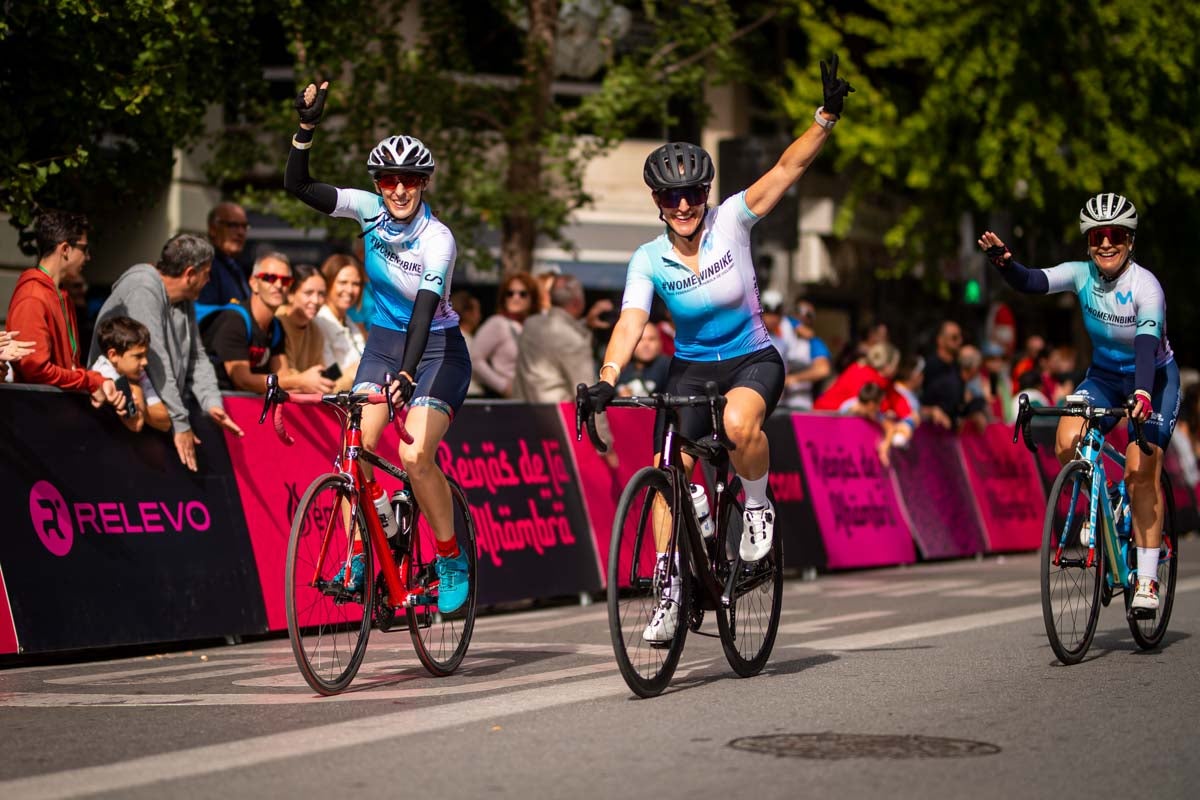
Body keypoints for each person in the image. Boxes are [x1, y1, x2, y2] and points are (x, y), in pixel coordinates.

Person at [583, 55, 853, 641]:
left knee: (736, 424)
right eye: (672, 196)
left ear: (705, 193)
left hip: (752, 357)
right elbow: (630, 324)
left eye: (693, 193)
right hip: (690, 368)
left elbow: (785, 169)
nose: (684, 205)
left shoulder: (731, 220)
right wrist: (608, 375)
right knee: (664, 472)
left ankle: (755, 504)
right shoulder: (647, 259)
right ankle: (669, 586)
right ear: (658, 201)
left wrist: (825, 118)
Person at [285, 80, 473, 614]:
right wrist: (306, 129)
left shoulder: (439, 238)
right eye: (389, 179)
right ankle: (368, 548)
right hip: (384, 345)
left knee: (414, 455)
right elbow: (297, 186)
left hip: (436, 350)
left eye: (409, 180)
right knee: (355, 452)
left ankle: (449, 555)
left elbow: (423, 309)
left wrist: (408, 376)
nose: (397, 190)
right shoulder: (367, 209)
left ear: (424, 183)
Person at [979, 192, 1178, 614]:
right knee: (1068, 438)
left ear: (1130, 241)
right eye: (1097, 236)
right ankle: (1098, 496)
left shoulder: (1146, 287)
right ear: (1088, 243)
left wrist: (1142, 393)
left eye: (1115, 235)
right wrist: (1004, 263)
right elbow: (1033, 281)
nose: (1106, 243)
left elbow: (1145, 348)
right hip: (1104, 377)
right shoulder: (1080, 273)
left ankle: (1146, 577)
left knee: (1142, 470)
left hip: (1154, 378)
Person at [90, 233, 244, 472]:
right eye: (206, 273)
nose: (209, 280)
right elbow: (155, 357)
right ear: (190, 274)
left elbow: (197, 356)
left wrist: (211, 402)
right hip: (114, 422)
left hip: (158, 424)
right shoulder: (143, 287)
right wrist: (181, 423)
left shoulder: (184, 300)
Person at [7, 210, 125, 413]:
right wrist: (89, 381)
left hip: (56, 415)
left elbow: (68, 367)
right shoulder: (33, 297)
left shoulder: (60, 294)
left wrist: (95, 383)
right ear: (65, 249)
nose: (87, 257)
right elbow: (37, 371)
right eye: (84, 249)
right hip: (35, 420)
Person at [201, 252, 331, 395]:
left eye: (285, 280)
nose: (279, 285)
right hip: (213, 405)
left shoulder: (275, 327)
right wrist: (300, 381)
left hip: (247, 405)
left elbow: (283, 377)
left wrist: (312, 385)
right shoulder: (234, 320)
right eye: (270, 278)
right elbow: (242, 380)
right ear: (254, 283)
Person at [513, 273, 599, 402]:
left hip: (524, 414)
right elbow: (587, 395)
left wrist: (586, 323)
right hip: (558, 416)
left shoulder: (530, 325)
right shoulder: (574, 341)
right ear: (578, 302)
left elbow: (553, 338)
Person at [90, 316, 171, 434]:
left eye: (145, 355)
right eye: (138, 356)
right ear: (113, 355)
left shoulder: (136, 373)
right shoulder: (103, 372)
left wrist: (138, 401)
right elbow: (136, 424)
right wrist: (137, 388)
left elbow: (165, 422)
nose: (145, 362)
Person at [473, 271, 540, 398]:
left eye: (522, 294)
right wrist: (502, 386)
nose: (516, 297)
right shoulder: (497, 323)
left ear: (532, 298)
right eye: (510, 293)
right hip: (505, 400)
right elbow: (475, 359)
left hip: (532, 397)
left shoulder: (534, 326)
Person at [314, 253, 369, 391]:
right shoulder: (320, 321)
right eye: (343, 283)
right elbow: (326, 374)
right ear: (328, 283)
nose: (350, 290)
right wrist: (354, 371)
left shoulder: (349, 322)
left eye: (355, 284)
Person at [277, 263, 332, 375]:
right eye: (308, 293)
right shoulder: (277, 323)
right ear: (290, 294)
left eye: (321, 294)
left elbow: (322, 374)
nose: (316, 300)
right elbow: (285, 377)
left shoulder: (315, 330)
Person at [780, 298, 832, 411]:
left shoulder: (814, 342)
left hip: (799, 404)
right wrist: (794, 324)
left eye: (808, 314)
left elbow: (823, 369)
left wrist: (793, 379)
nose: (802, 316)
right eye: (798, 311)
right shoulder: (780, 333)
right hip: (774, 401)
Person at [198, 202, 251, 306]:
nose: (241, 232)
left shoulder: (239, 266)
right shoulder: (205, 266)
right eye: (233, 225)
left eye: (244, 226)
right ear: (213, 229)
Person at [615, 322, 670, 397]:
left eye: (651, 339)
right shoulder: (619, 367)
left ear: (659, 342)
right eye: (640, 339)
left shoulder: (669, 367)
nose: (646, 344)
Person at [449, 288, 485, 397]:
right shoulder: (470, 342)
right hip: (470, 396)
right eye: (477, 311)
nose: (479, 316)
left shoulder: (444, 338)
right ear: (468, 313)